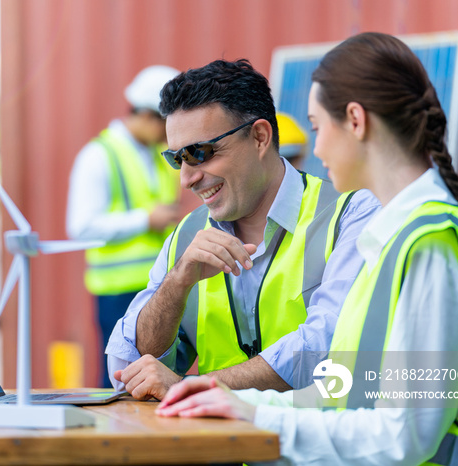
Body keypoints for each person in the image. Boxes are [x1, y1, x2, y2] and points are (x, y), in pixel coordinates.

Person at [156, 32, 458, 465]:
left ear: (355, 120)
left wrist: (259, 420)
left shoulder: (430, 246)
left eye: (316, 127)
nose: (315, 148)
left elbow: (406, 435)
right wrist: (236, 404)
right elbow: (344, 394)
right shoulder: (395, 239)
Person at [106, 59, 381, 400]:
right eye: (178, 159)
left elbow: (327, 346)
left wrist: (197, 387)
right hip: (222, 448)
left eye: (200, 153)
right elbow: (125, 369)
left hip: (312, 449)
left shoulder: (350, 214)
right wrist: (177, 283)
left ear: (260, 137)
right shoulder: (188, 235)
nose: (186, 179)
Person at [66, 65, 182, 388]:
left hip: (156, 289)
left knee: (152, 382)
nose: (170, 132)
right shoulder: (98, 156)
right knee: (117, 383)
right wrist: (146, 220)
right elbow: (81, 226)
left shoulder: (156, 155)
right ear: (147, 115)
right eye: (166, 123)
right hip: (117, 291)